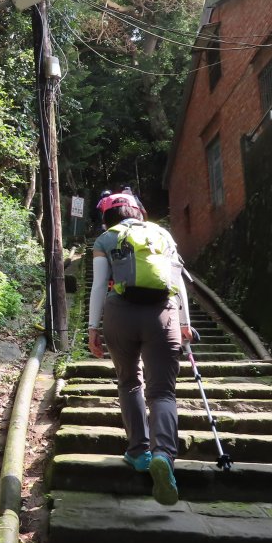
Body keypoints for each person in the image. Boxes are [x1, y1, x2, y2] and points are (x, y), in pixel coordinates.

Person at [86, 192, 192, 505]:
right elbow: (178, 282)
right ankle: (164, 455)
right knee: (162, 392)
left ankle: (139, 452)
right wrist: (184, 323)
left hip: (120, 313)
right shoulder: (161, 234)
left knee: (130, 382)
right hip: (163, 313)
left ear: (107, 217)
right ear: (139, 212)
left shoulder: (106, 239)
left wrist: (93, 328)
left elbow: (97, 287)